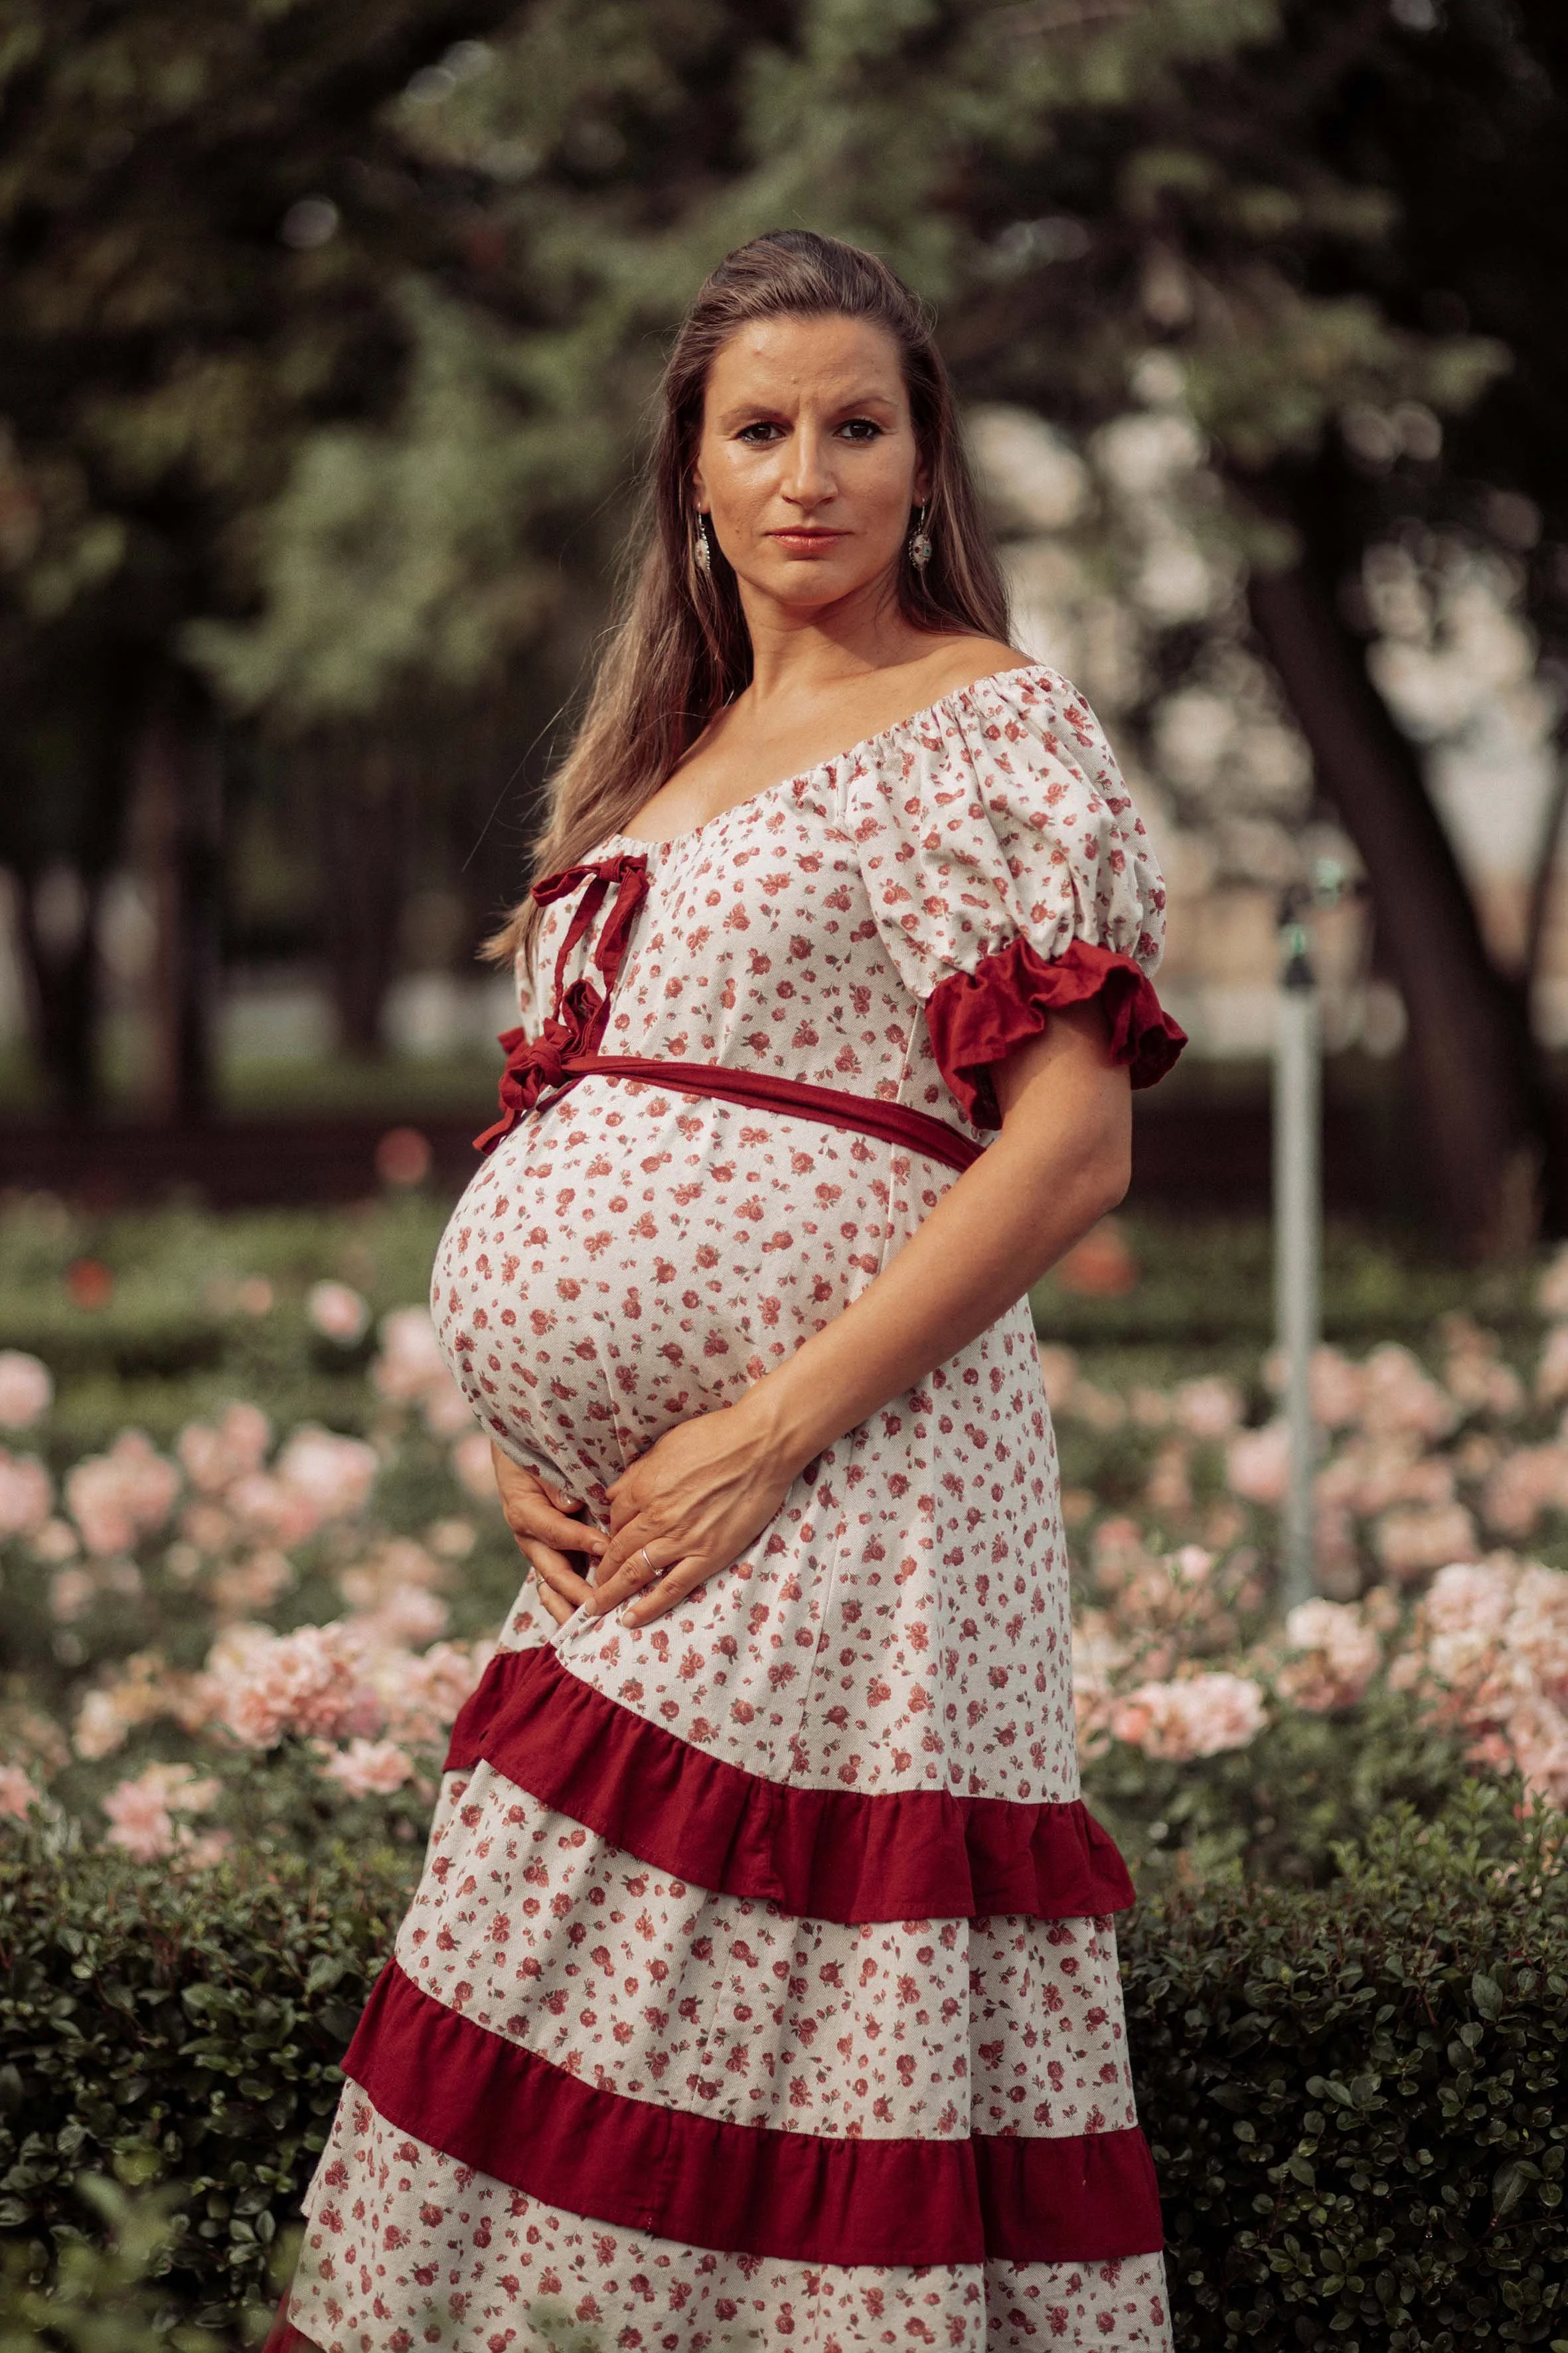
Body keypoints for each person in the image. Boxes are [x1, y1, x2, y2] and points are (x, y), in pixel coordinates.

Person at [273, 228, 1186, 2353]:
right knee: (557, 1998)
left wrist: (769, 1428)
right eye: (758, 429)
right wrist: (532, 1433)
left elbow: (1072, 1148)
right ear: (687, 466)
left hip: (844, 1499)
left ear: (927, 456)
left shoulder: (977, 727)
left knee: (776, 2029)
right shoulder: (658, 770)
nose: (810, 475)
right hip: (629, 1534)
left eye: (857, 426)